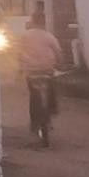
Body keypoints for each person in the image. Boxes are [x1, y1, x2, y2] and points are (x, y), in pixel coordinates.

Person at [18, 9, 61, 146]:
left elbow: (18, 53)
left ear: (32, 21)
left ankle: (34, 122)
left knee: (33, 96)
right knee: (52, 90)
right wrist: (60, 64)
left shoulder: (24, 36)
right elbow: (58, 53)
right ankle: (52, 109)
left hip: (31, 72)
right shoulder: (49, 36)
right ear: (43, 22)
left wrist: (20, 68)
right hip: (47, 70)